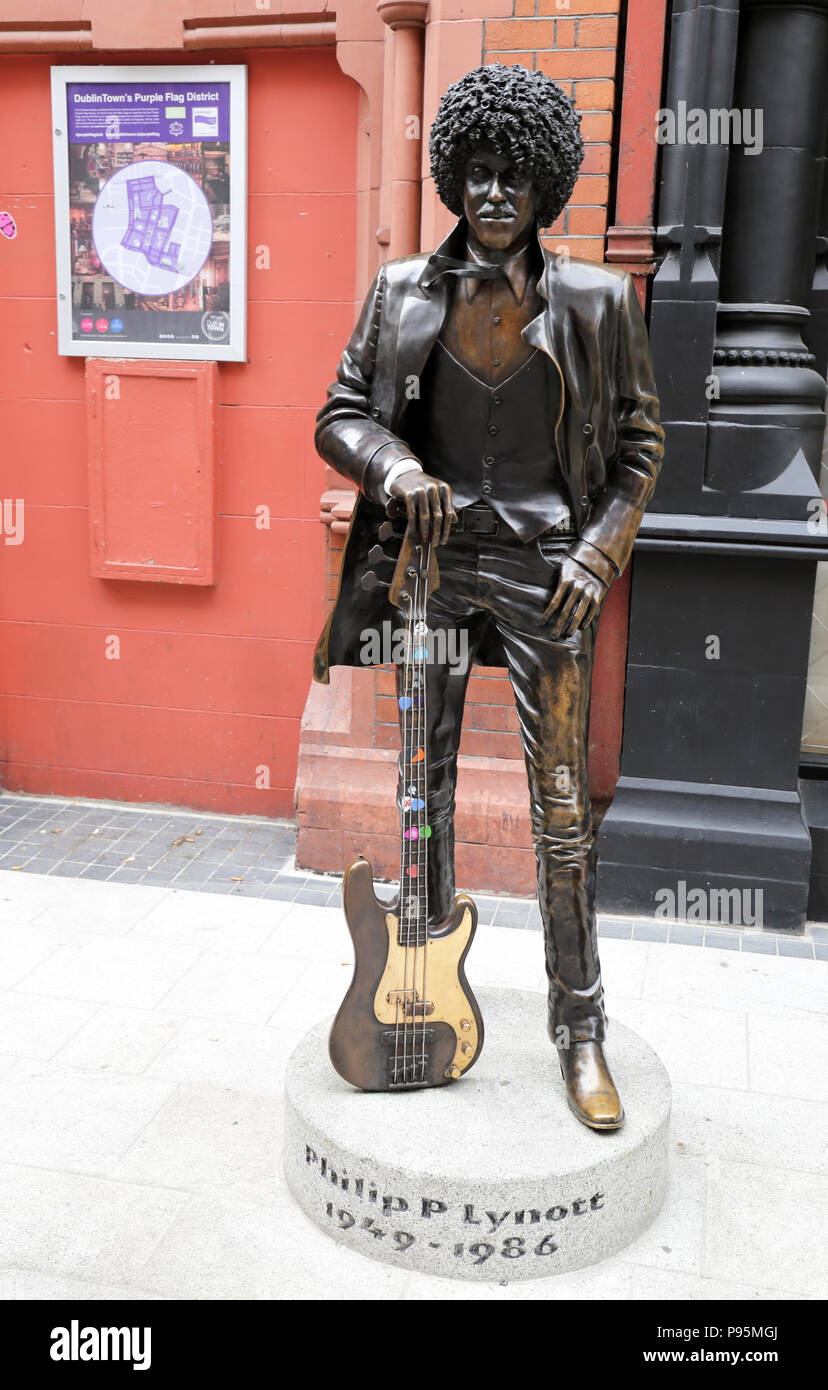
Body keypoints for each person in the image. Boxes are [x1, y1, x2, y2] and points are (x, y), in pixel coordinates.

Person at [313, 63, 664, 1130]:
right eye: (476, 173)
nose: (495, 194)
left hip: (549, 576)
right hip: (431, 573)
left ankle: (581, 1027)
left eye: (515, 176)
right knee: (425, 791)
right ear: (454, 177)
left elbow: (643, 445)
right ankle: (423, 997)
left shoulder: (601, 302)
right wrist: (394, 468)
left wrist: (598, 555)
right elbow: (337, 412)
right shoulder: (400, 292)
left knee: (562, 813)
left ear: (546, 185)